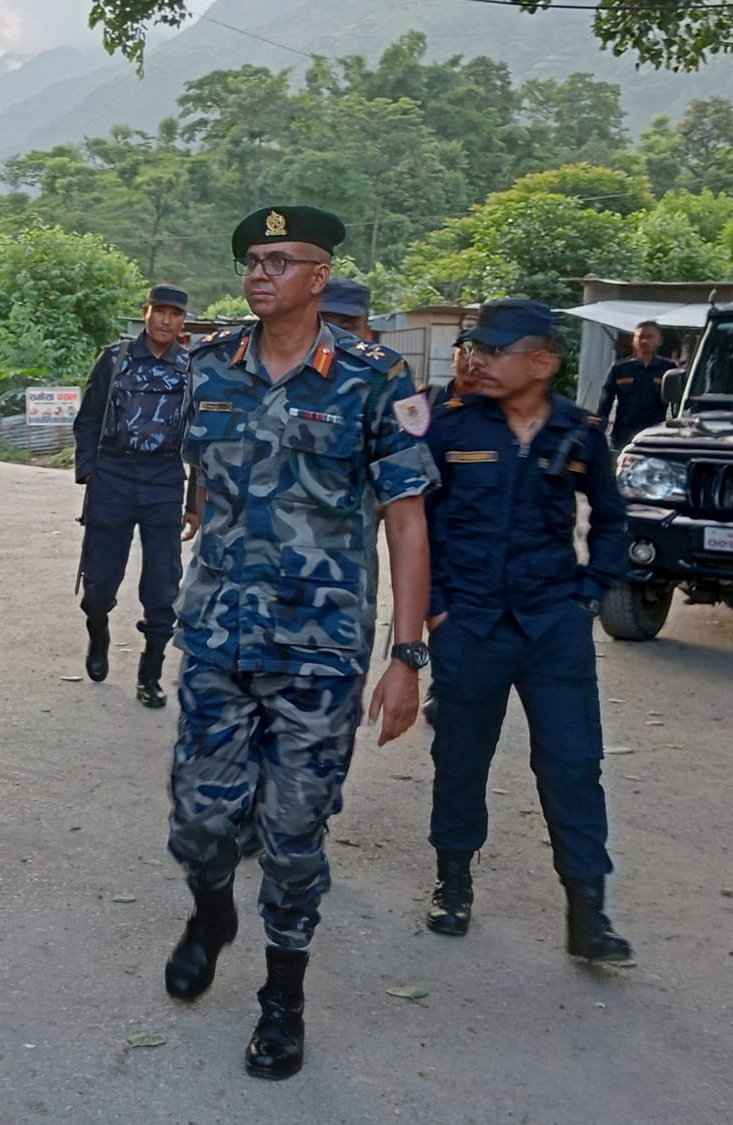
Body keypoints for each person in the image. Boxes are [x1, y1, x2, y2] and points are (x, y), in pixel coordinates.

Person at [166, 205, 433, 1082]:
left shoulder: (372, 377)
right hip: (214, 637)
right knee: (202, 821)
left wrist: (407, 654)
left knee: (292, 834)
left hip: (318, 652)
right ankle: (211, 914)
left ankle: (283, 998)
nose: (259, 271)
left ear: (321, 275)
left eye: (280, 259)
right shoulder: (210, 369)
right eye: (252, 257)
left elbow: (405, 519)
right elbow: (204, 486)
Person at [422, 297, 634, 967]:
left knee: (573, 764)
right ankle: (453, 881)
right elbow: (413, 524)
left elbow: (611, 518)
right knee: (461, 757)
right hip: (472, 623)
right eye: (474, 348)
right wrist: (435, 607)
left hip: (552, 627)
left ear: (543, 360)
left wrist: (592, 590)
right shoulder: (447, 428)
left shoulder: (579, 430)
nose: (477, 360)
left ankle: (588, 910)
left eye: (495, 350)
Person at [71, 282, 191, 708]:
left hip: (163, 479)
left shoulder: (190, 367)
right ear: (145, 312)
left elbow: (201, 438)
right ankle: (98, 630)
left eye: (175, 314)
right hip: (115, 476)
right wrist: (89, 471)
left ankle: (150, 673)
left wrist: (194, 501)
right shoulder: (115, 359)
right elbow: (87, 419)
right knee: (100, 580)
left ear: (182, 321)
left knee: (162, 583)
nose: (165, 320)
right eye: (159, 310)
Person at [596, 320, 678, 448]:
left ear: (659, 340)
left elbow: (677, 405)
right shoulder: (620, 368)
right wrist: (597, 433)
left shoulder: (669, 369)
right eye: (640, 337)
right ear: (633, 340)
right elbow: (605, 403)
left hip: (655, 436)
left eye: (650, 337)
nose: (644, 341)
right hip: (623, 436)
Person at [430, 331, 483, 409]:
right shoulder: (430, 398)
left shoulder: (498, 407)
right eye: (464, 354)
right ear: (453, 358)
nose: (470, 363)